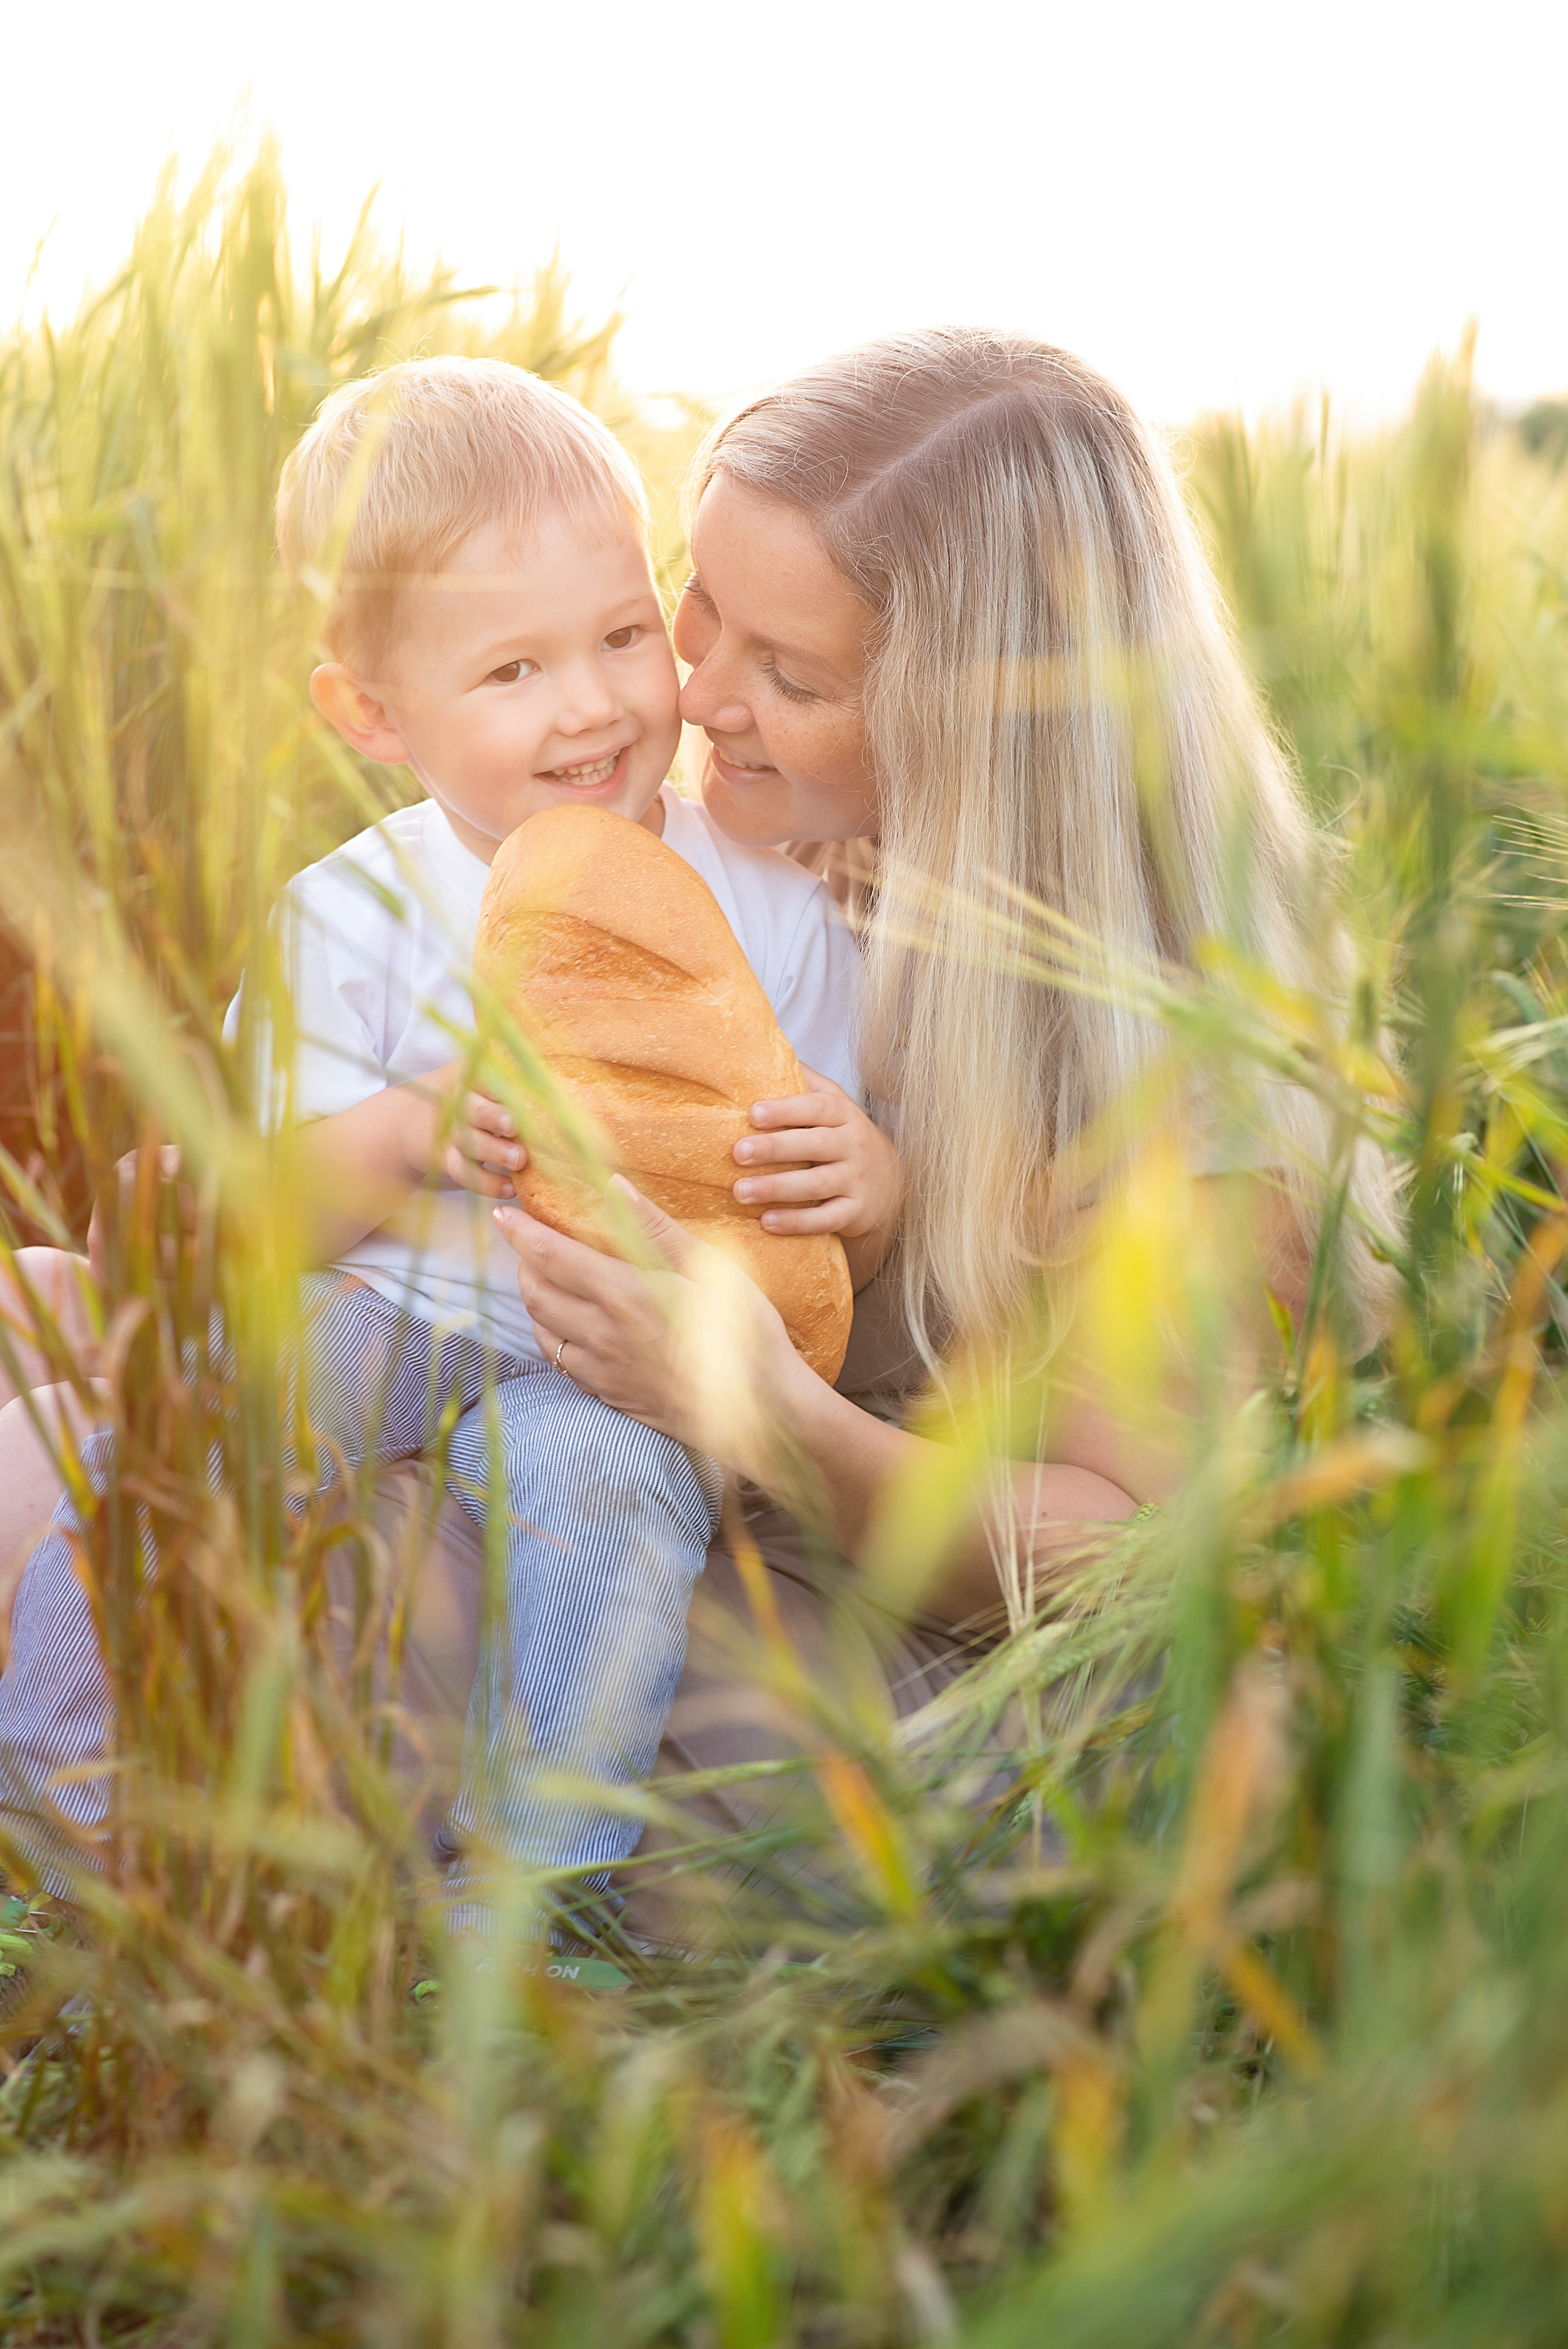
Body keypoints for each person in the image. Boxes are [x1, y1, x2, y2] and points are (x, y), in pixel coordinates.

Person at [443, 328, 1401, 1931]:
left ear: (984, 728)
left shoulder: (1193, 1079)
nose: (694, 692)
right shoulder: (805, 876)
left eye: (790, 675)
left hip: (970, 1650)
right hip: (724, 1508)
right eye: (701, 609)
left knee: (353, 1629)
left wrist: (764, 1415)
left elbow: (1139, 1563)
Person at [0, 355, 899, 1919]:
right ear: (371, 710)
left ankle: (522, 1909)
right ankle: (73, 1807)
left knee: (608, 1514)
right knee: (166, 1430)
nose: (595, 704)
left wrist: (871, 1184)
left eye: (624, 635)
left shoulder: (761, 897)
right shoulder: (348, 913)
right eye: (514, 672)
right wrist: (409, 1130)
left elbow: (806, 1214)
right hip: (391, 1311)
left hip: (614, 1356)